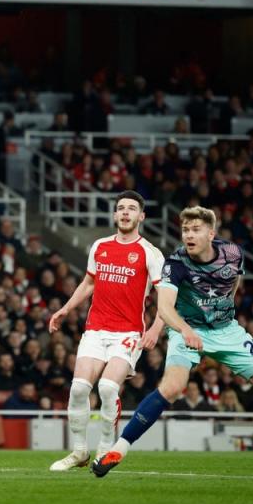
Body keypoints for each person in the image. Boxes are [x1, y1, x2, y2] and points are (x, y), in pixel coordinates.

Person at [92, 206, 253, 478]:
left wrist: (225, 308)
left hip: (227, 330)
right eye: (185, 230)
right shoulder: (176, 264)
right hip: (189, 328)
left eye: (196, 230)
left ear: (211, 234)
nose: (189, 236)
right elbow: (165, 308)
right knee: (172, 387)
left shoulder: (233, 253)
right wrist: (185, 329)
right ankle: (118, 450)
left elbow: (234, 281)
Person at [47, 190, 165, 471]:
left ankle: (105, 450)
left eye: (131, 208)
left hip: (128, 333)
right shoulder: (100, 246)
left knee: (108, 387)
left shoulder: (150, 253)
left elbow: (167, 299)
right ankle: (79, 452)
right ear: (114, 215)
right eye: (121, 208)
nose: (125, 212)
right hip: (96, 329)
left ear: (141, 216)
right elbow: (89, 283)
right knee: (78, 390)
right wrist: (66, 308)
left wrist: (156, 329)